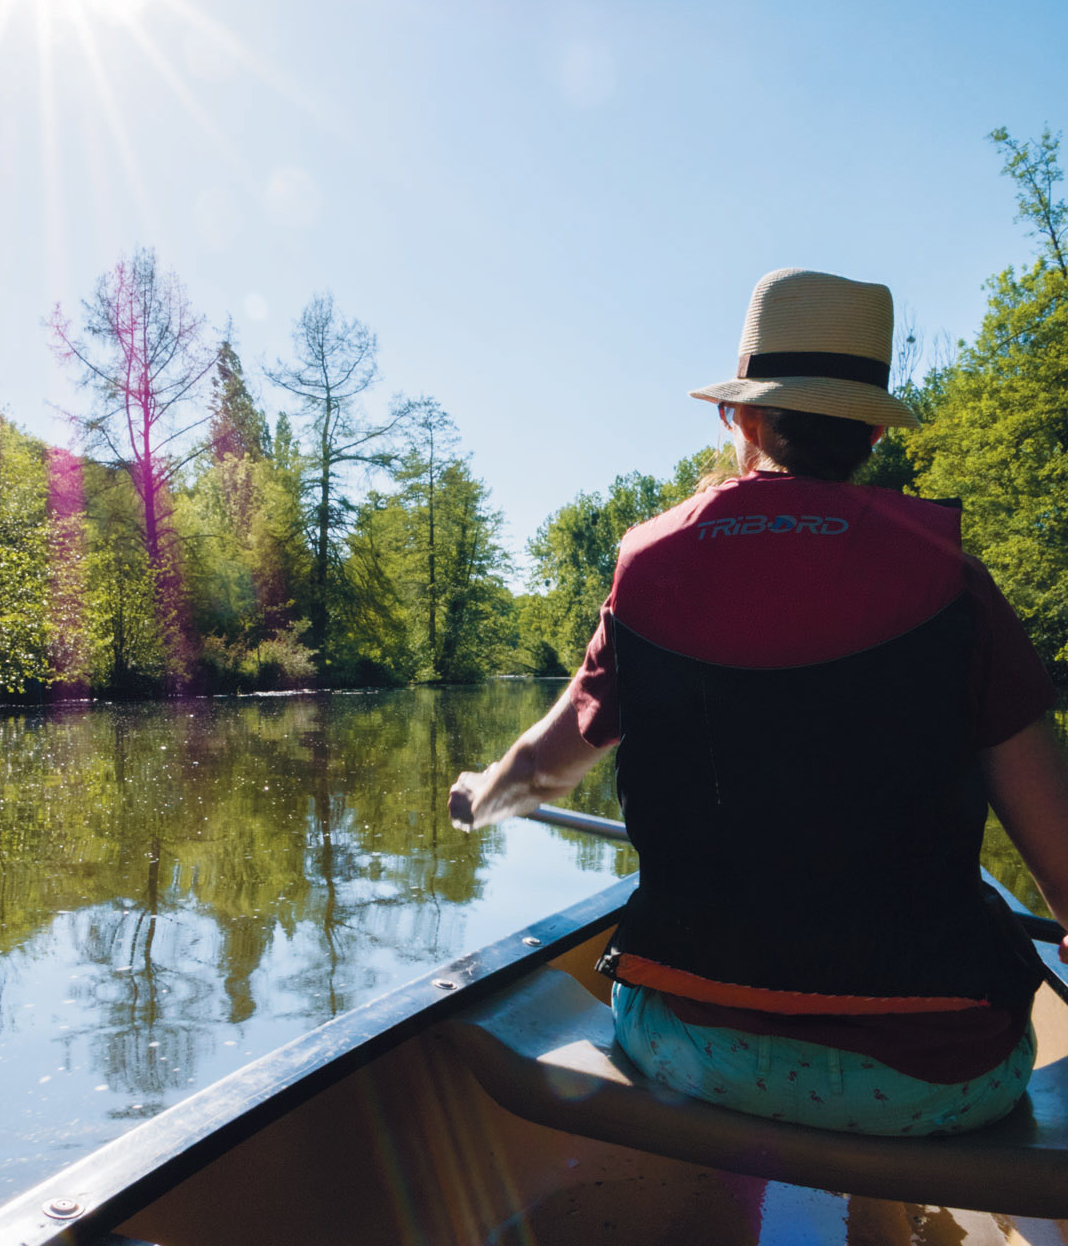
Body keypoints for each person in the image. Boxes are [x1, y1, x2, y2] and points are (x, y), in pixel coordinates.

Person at [449, 267, 1068, 1137]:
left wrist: (479, 798)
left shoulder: (648, 570)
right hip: (931, 1078)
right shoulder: (955, 585)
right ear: (870, 434)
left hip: (689, 1053)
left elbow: (543, 770)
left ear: (743, 415)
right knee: (986, 901)